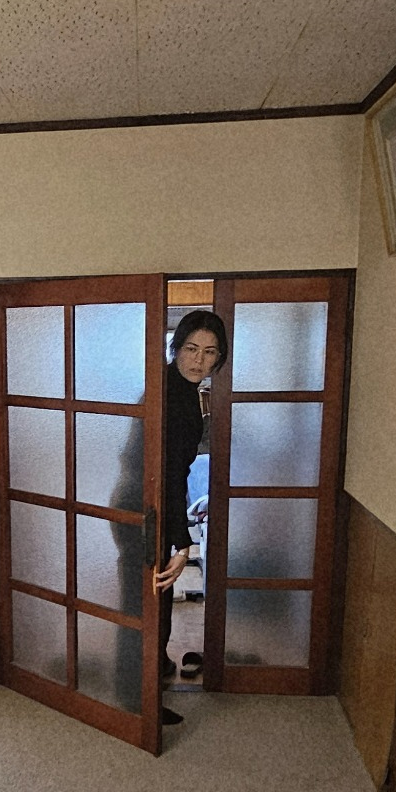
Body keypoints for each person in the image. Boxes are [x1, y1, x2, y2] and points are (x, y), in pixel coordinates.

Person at [153, 309, 228, 724]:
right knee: (152, 599)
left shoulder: (182, 389)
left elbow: (175, 474)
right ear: (176, 348)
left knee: (154, 598)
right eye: (191, 348)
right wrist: (183, 543)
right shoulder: (170, 395)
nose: (199, 360)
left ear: (220, 357)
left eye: (210, 352)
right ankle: (141, 699)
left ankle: (154, 667)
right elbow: (166, 474)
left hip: (154, 502)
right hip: (141, 506)